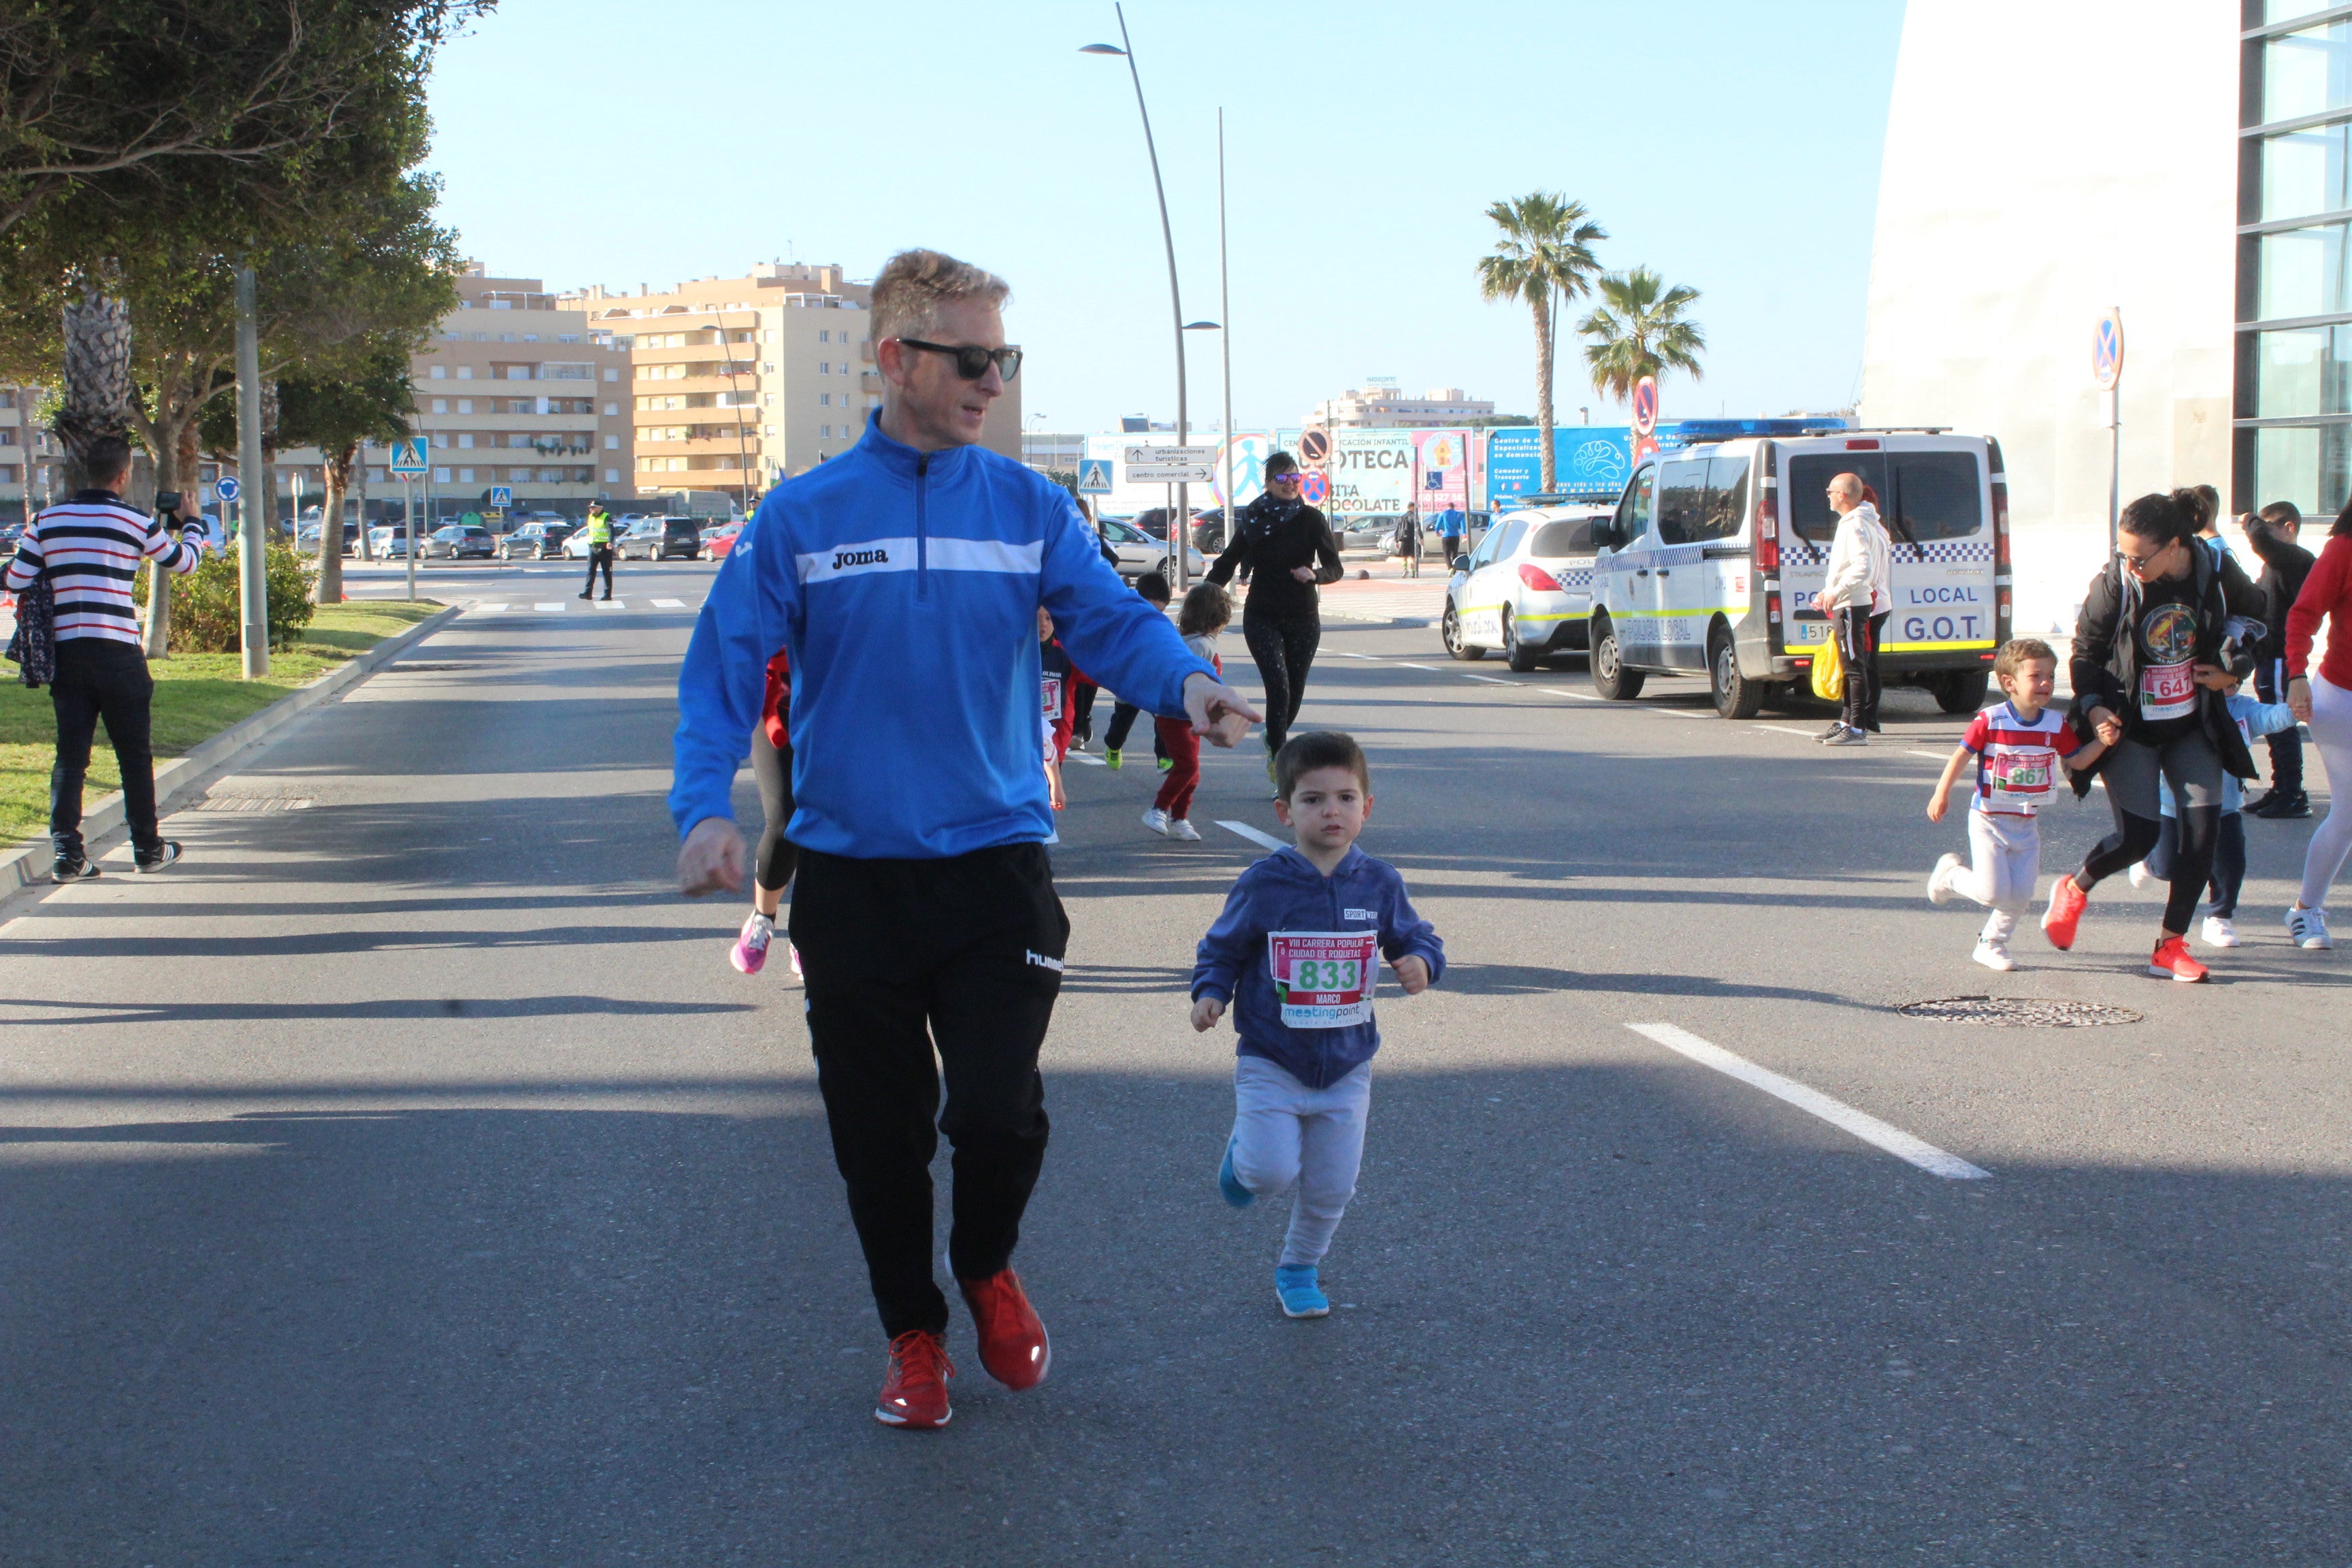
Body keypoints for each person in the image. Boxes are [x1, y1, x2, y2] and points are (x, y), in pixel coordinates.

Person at [670, 248, 1260, 1431]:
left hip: (995, 866)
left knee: (996, 1111)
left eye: (1007, 356)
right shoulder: (802, 517)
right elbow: (724, 666)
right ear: (896, 359)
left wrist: (1189, 685)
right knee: (876, 1141)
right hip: (852, 878)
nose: (995, 378)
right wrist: (702, 808)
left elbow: (1105, 619)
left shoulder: (1031, 506)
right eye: (974, 356)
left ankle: (987, 1261)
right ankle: (912, 1335)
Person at [1190, 730, 1444, 1318]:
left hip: (1348, 1064)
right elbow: (1222, 948)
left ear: (1367, 807)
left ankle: (1299, 1267)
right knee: (1269, 1172)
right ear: (1284, 811)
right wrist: (1210, 994)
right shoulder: (1264, 884)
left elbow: (1417, 937)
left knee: (1332, 1186)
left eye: (1346, 797)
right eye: (1312, 799)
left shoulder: (1380, 883)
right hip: (1271, 1057)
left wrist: (1421, 964)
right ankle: (1243, 1161)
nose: (1332, 810)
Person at [2041, 491, 2255, 982]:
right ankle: (2075, 887)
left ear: (2175, 545)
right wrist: (2094, 708)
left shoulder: (2217, 570)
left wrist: (2232, 671)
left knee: (2204, 833)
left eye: (2140, 557)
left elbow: (2258, 621)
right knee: (2140, 839)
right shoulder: (2116, 582)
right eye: (2124, 554)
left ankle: (2169, 945)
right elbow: (2086, 652)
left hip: (2191, 722)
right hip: (2130, 725)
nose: (2130, 565)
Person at [5, 435, 206, 881]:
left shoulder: (46, 521)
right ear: (122, 475)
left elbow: (15, 580)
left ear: (84, 473)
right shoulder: (134, 522)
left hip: (68, 654)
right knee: (134, 755)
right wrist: (192, 522)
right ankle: (148, 849)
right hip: (118, 652)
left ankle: (67, 855)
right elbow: (186, 563)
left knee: (70, 757)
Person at [1925, 638, 2111, 971]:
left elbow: (2079, 761)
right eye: (2036, 676)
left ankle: (1992, 944)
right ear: (2009, 683)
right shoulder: (1991, 720)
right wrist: (1942, 793)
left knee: (2021, 896)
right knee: (1993, 893)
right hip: (1988, 820)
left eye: (2051, 676)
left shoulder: (2055, 725)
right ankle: (1950, 876)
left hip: (2026, 825)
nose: (2045, 684)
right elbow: (1960, 756)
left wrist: (2102, 741)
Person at [2127, 677, 2297, 947]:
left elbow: (2270, 717)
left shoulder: (2243, 708)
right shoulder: (2182, 704)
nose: (2230, 683)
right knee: (2167, 866)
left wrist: (2293, 711)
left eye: (2237, 677)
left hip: (2225, 805)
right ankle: (2150, 863)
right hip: (2175, 805)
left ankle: (2219, 916)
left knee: (2230, 864)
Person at [1207, 451, 1345, 781]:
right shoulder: (1254, 520)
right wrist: (1205, 593)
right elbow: (1228, 561)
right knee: (1279, 688)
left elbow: (1335, 567)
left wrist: (1315, 575)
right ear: (1268, 483)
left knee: (1294, 691)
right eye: (1282, 479)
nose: (1290, 484)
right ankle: (1279, 761)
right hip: (1262, 615)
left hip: (1303, 617)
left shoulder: (1312, 519)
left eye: (1295, 478)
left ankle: (1273, 734)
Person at [2281, 495, 2352, 949]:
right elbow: (2304, 613)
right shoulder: (2344, 549)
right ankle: (2306, 912)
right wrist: (2296, 675)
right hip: (2342, 697)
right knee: (2348, 816)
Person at [728, 646, 800, 979]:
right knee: (785, 818)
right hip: (776, 699)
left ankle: (808, 935)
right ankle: (763, 917)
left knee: (831, 821)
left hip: (842, 699)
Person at [2242, 501, 2315, 817]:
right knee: (2273, 727)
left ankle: (2293, 793)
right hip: (2267, 655)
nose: (2264, 538)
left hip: (2281, 657)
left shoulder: (2295, 558)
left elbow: (2261, 541)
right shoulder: (2278, 562)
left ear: (2289, 528)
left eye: (2271, 530)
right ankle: (2280, 787)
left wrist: (2252, 522)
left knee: (2283, 726)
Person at [1144, 583, 1232, 842]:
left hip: (1187, 717)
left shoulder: (1198, 642)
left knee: (1192, 772)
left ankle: (1180, 818)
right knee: (1188, 766)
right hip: (1176, 715)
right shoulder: (1201, 646)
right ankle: (1159, 809)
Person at [1812, 472, 1891, 745]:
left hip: (1853, 604)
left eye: (1831, 492)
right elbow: (1846, 568)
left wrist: (1837, 591)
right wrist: (1828, 592)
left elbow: (1862, 567)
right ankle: (1847, 720)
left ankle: (1857, 728)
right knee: (1851, 666)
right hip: (1848, 602)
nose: (1829, 496)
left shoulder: (1855, 525)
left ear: (1843, 496)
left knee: (1855, 667)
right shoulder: (1855, 523)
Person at [1103, 570, 1174, 772]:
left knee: (1163, 716)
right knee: (1122, 722)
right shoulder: (1125, 620)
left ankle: (1163, 757)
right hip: (1128, 682)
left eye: (1161, 612)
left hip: (1153, 681)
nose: (1156, 616)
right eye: (1152, 610)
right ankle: (1113, 745)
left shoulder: (1162, 625)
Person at [578, 500, 615, 601]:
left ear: (600, 508)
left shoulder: (606, 517)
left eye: (593, 507)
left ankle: (607, 595)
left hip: (604, 549)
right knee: (590, 571)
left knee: (606, 572)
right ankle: (588, 593)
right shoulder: (590, 517)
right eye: (590, 507)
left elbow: (611, 530)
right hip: (593, 547)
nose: (591, 509)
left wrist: (610, 542)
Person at [1395, 504, 1422, 578]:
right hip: (1412, 539)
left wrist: (1396, 540)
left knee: (1404, 557)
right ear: (1412, 507)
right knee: (1413, 557)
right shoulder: (1414, 517)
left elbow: (1397, 530)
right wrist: (1421, 538)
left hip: (1404, 540)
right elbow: (1418, 528)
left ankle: (1405, 569)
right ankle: (1414, 573)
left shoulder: (1402, 517)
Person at [1436, 502, 1466, 567]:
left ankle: (1450, 568)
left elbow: (1437, 525)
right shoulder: (1458, 514)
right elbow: (1463, 525)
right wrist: (1464, 535)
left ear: (1447, 507)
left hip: (1446, 536)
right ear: (1453, 507)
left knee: (1447, 554)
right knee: (1455, 553)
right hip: (1455, 536)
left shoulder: (1443, 514)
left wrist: (1437, 532)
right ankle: (1454, 568)